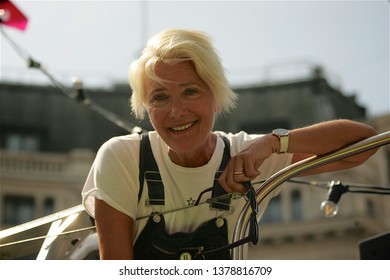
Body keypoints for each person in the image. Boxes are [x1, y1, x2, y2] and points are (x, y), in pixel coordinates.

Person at [81, 28, 378, 260]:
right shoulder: (122, 157)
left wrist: (274, 143)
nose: (176, 111)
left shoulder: (249, 156)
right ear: (146, 107)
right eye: (159, 97)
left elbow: (366, 142)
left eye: (191, 91)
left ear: (217, 98)